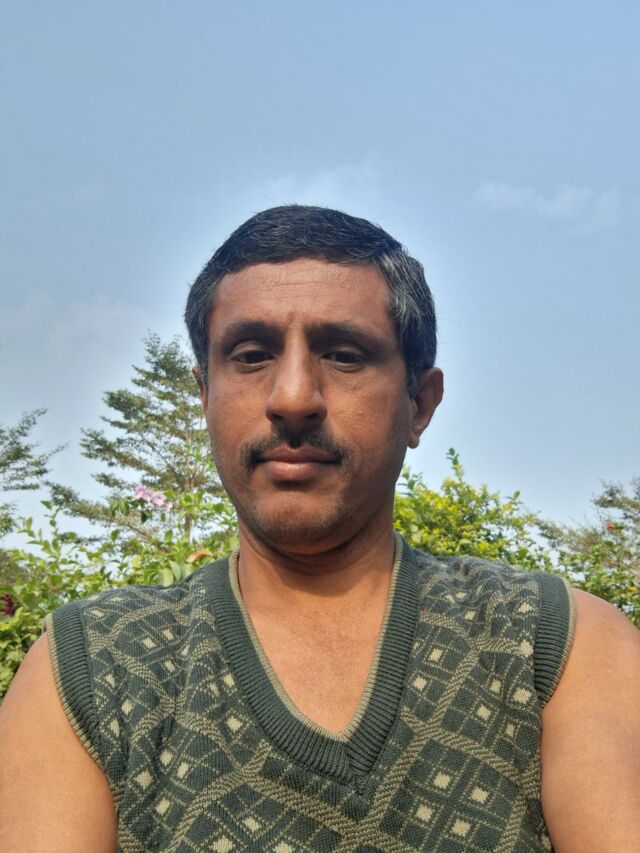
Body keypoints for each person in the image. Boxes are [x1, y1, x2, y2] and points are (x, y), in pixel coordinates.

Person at [0, 206, 638, 852]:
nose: (293, 398)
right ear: (205, 397)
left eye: (344, 354)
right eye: (252, 355)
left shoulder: (553, 643)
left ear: (420, 404)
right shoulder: (92, 667)